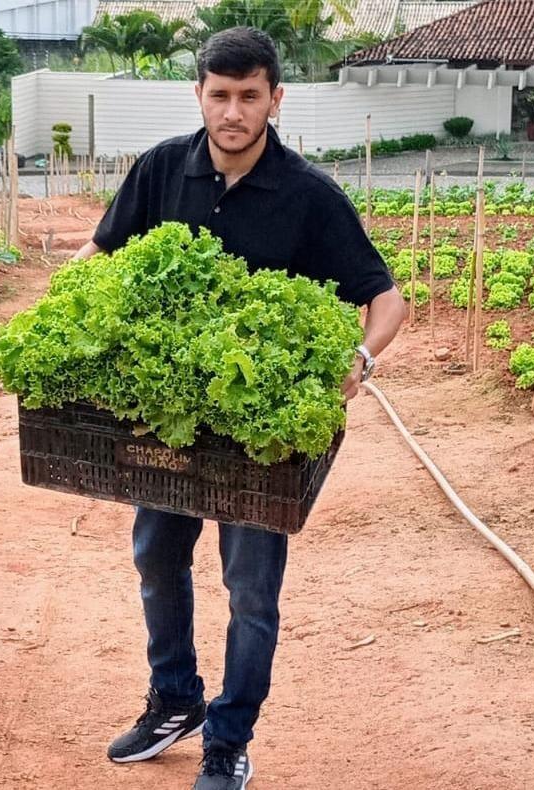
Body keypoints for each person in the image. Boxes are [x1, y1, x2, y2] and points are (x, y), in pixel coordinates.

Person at [72, 26, 406, 790]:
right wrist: (64, 307)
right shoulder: (160, 169)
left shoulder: (309, 195)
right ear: (200, 95)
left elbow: (386, 300)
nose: (232, 111)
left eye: (248, 96)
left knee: (251, 589)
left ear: (274, 100)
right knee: (156, 558)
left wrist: (361, 358)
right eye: (219, 95)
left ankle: (228, 736)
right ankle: (174, 700)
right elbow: (105, 252)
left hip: (259, 440)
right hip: (166, 423)